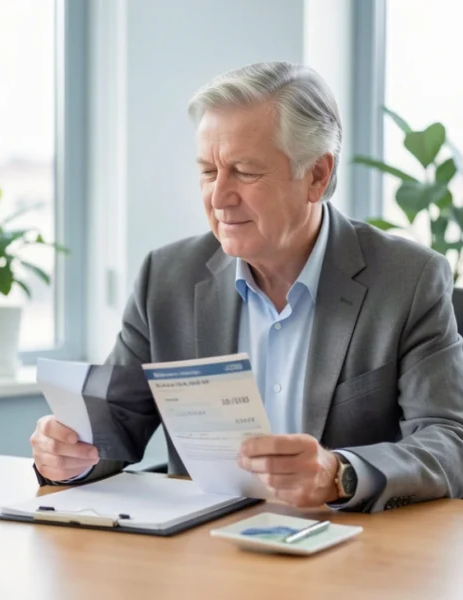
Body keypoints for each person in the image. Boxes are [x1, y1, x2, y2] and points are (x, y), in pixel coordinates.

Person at [30, 61, 463, 513]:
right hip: (206, 554)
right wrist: (67, 455)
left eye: (244, 171)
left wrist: (340, 473)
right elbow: (115, 424)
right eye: (208, 172)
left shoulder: (407, 279)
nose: (219, 198)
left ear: (316, 175)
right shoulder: (167, 277)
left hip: (350, 553)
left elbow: (448, 441)